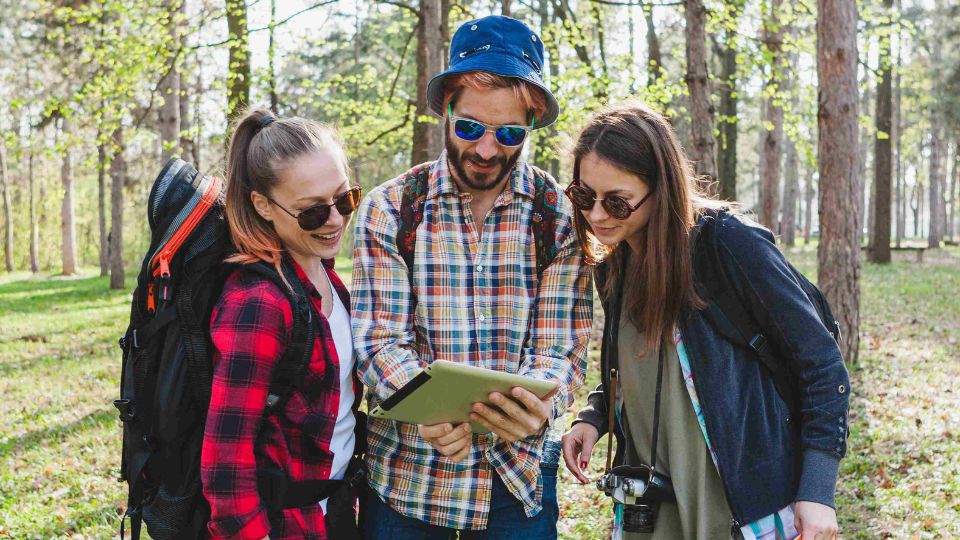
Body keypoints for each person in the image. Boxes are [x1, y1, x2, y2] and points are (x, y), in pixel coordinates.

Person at [351, 15, 593, 540]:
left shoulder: (557, 215)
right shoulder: (391, 209)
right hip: (408, 480)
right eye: (469, 127)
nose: (486, 150)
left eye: (509, 133)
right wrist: (429, 410)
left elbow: (565, 344)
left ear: (530, 123)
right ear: (446, 109)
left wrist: (540, 405)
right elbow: (377, 340)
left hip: (518, 478)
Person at [560, 102, 850, 540]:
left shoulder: (726, 243)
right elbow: (644, 364)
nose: (596, 215)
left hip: (739, 507)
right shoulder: (614, 262)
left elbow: (822, 362)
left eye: (617, 202)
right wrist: (596, 415)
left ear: (661, 188)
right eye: (584, 197)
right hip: (654, 511)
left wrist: (817, 489)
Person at [200, 108, 364, 539]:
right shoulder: (259, 304)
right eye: (311, 213)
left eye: (345, 199)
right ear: (263, 206)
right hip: (287, 526)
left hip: (335, 512)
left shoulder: (325, 276)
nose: (334, 220)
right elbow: (225, 462)